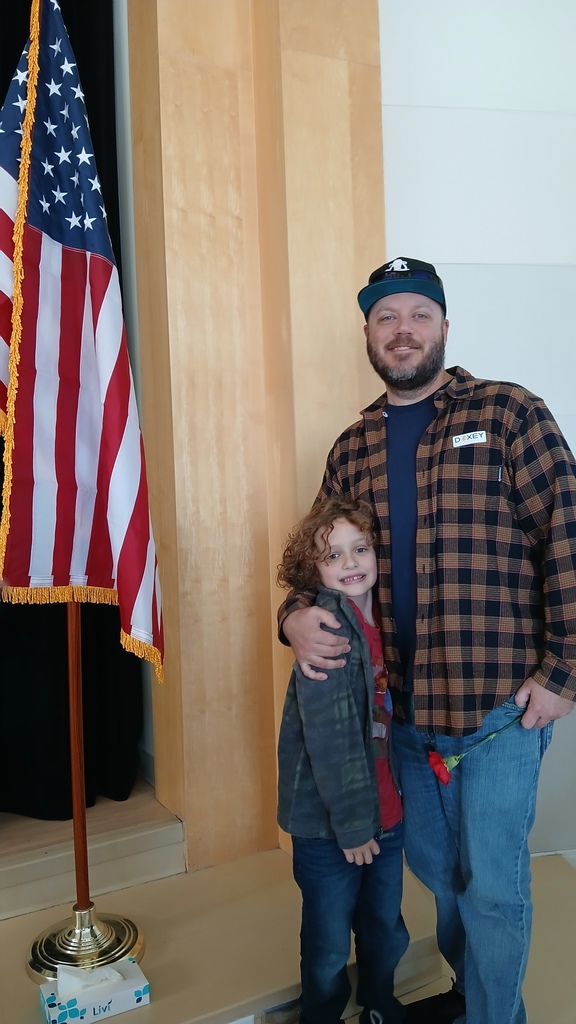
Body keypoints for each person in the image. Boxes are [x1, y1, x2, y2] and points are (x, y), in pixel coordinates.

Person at [279, 257, 576, 1024]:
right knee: (440, 875)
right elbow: (317, 555)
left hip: (500, 714)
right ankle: (471, 990)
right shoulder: (352, 447)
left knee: (496, 888)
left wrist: (563, 672)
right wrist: (291, 618)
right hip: (402, 720)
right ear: (369, 335)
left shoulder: (510, 414)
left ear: (444, 325)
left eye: (418, 313)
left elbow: (568, 540)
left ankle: (492, 1015)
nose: (402, 330)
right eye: (386, 317)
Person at [277, 496, 408, 1024]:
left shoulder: (384, 620)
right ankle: (323, 1015)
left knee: (384, 926)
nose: (351, 563)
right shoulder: (325, 630)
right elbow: (329, 740)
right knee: (329, 940)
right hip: (331, 826)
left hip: (386, 814)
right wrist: (353, 827)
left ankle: (378, 1002)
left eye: (361, 548)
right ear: (313, 570)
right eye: (333, 556)